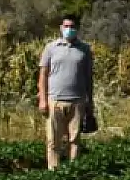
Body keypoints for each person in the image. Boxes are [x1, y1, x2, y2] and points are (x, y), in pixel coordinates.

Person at [38, 15, 95, 170]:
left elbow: (89, 77)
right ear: (61, 28)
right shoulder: (51, 48)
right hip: (55, 101)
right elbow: (43, 74)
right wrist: (42, 99)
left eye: (72, 27)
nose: (69, 29)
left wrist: (90, 101)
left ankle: (73, 171)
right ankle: (53, 171)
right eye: (66, 26)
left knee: (74, 140)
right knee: (53, 140)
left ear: (77, 29)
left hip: (77, 102)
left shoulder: (84, 49)